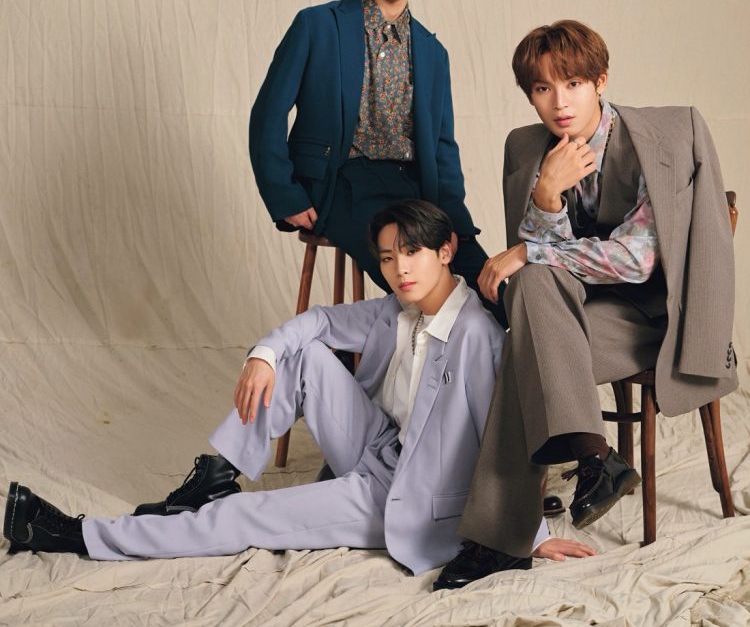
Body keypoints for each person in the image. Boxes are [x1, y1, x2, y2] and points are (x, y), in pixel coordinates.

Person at [3, 200, 593, 575]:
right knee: (302, 353)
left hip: (406, 496)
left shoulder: (478, 337)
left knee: (246, 518)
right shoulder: (396, 309)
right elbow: (317, 322)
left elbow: (504, 442)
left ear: (446, 252)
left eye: (413, 253)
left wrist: (530, 534)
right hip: (375, 447)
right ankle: (217, 473)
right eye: (388, 257)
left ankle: (75, 534)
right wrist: (263, 356)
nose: (399, 269)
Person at [433, 20, 738, 590]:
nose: (559, 102)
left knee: (522, 345)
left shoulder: (665, 135)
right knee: (532, 290)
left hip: (654, 319)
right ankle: (595, 459)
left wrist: (530, 247)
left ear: (600, 80)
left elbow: (638, 260)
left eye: (572, 83)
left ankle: (496, 540)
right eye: (542, 89)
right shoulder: (527, 147)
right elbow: (540, 277)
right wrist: (546, 194)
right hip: (572, 318)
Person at [249, 0, 505, 325]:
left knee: (490, 291)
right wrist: (285, 194)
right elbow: (267, 116)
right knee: (425, 290)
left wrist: (457, 223)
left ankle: (462, 371)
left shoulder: (433, 51)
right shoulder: (317, 26)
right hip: (342, 184)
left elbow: (443, 146)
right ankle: (392, 368)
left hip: (413, 187)